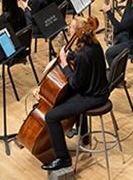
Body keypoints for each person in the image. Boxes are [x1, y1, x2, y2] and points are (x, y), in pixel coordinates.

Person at [42, 16, 109, 171]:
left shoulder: (81, 55)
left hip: (93, 97)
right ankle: (83, 136)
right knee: (63, 98)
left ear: (78, 32)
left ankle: (63, 158)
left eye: (71, 27)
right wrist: (69, 55)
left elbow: (75, 84)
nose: (68, 29)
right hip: (100, 89)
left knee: (51, 117)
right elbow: (84, 62)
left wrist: (65, 64)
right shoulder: (94, 44)